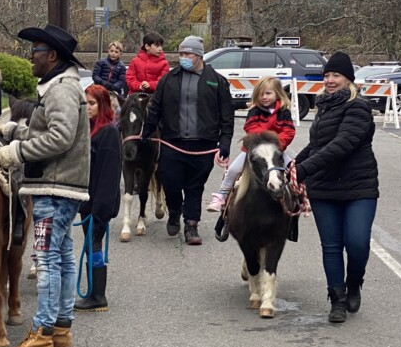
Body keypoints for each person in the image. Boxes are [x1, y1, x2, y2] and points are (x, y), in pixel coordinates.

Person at [0, 24, 90, 347]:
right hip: (59, 186)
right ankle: (61, 330)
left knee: (47, 260)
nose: (30, 57)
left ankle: (41, 335)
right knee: (61, 257)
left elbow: (61, 138)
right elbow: (48, 129)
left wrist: (16, 151)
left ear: (52, 56)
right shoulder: (60, 87)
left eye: (34, 51)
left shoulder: (62, 89)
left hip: (55, 186)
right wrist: (14, 129)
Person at [292, 52, 378, 325]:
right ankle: (337, 299)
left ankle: (354, 283)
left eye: (335, 75)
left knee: (357, 243)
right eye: (327, 75)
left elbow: (341, 145)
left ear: (348, 79)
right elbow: (318, 145)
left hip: (358, 187)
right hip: (324, 188)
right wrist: (292, 164)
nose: (329, 80)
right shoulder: (325, 105)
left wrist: (303, 170)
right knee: (331, 246)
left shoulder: (358, 107)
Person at [142, 35, 233, 246]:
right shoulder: (169, 79)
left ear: (199, 56)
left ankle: (191, 225)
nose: (183, 57)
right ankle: (174, 210)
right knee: (170, 181)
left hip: (204, 144)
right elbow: (155, 108)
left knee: (195, 185)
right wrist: (146, 133)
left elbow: (226, 116)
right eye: (181, 54)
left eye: (187, 54)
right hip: (173, 142)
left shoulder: (216, 81)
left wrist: (225, 142)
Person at [208, 76, 295, 212]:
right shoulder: (255, 111)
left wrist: (276, 144)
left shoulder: (284, 112)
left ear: (277, 93)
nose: (264, 97)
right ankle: (222, 195)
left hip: (276, 150)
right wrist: (264, 140)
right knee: (233, 170)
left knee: (294, 169)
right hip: (253, 149)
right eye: (260, 94)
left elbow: (289, 131)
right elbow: (250, 127)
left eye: (268, 93)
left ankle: (298, 196)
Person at [75, 85, 123, 312]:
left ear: (102, 105)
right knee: (90, 245)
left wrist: (100, 209)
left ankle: (97, 295)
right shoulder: (89, 129)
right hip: (88, 201)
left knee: (94, 245)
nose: (87, 108)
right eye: (85, 104)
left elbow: (109, 175)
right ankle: (95, 293)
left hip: (99, 203)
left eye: (92, 104)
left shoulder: (109, 133)